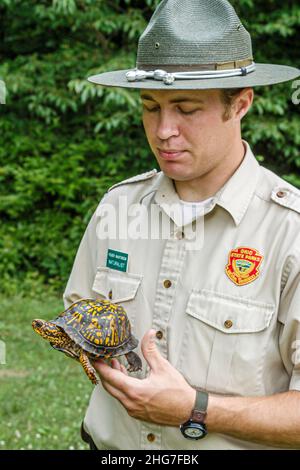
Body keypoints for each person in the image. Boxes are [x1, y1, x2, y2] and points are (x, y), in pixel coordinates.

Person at [63, 0, 300, 450]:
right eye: (150, 107)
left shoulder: (289, 232)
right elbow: (82, 326)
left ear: (241, 103)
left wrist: (196, 408)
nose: (162, 130)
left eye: (187, 109)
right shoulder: (119, 207)